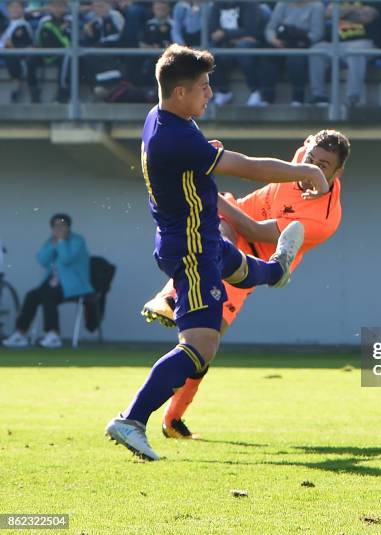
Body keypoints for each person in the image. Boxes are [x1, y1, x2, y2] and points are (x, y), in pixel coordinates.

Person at [104, 44, 329, 461]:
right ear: (179, 93)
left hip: (199, 240)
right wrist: (302, 170)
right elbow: (247, 167)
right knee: (200, 347)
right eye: (204, 87)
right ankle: (131, 419)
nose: (210, 93)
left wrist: (205, 152)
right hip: (192, 250)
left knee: (242, 269)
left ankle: (276, 269)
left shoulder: (163, 118)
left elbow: (195, 160)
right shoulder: (176, 137)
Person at [140, 129, 349, 439]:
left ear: (337, 172)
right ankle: (169, 298)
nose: (311, 170)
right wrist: (214, 156)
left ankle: (173, 419)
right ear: (304, 150)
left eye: (323, 166)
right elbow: (261, 164)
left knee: (205, 348)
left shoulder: (324, 218)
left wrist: (209, 193)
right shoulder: (303, 161)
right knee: (214, 246)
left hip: (249, 262)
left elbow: (253, 229)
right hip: (225, 231)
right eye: (310, 159)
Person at [2, 214, 93, 349]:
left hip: (75, 287)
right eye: (56, 226)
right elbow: (42, 260)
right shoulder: (51, 241)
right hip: (52, 285)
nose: (59, 228)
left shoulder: (77, 240)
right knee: (32, 296)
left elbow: (67, 258)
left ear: (68, 227)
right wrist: (53, 245)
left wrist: (61, 242)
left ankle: (53, 335)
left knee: (48, 296)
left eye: (62, 225)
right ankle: (20, 333)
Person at [263, 1, 325, 106]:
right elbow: (270, 28)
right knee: (267, 55)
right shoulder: (282, 4)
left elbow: (317, 34)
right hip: (281, 42)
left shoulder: (317, 6)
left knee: (295, 57)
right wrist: (273, 39)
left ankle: (297, 98)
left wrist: (299, 41)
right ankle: (267, 98)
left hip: (302, 44)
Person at [208, 1, 266, 107]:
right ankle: (222, 91)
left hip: (250, 42)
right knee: (208, 53)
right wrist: (230, 37)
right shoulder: (218, 4)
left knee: (243, 48)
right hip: (226, 42)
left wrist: (226, 33)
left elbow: (251, 31)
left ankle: (256, 91)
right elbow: (212, 30)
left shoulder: (250, 4)